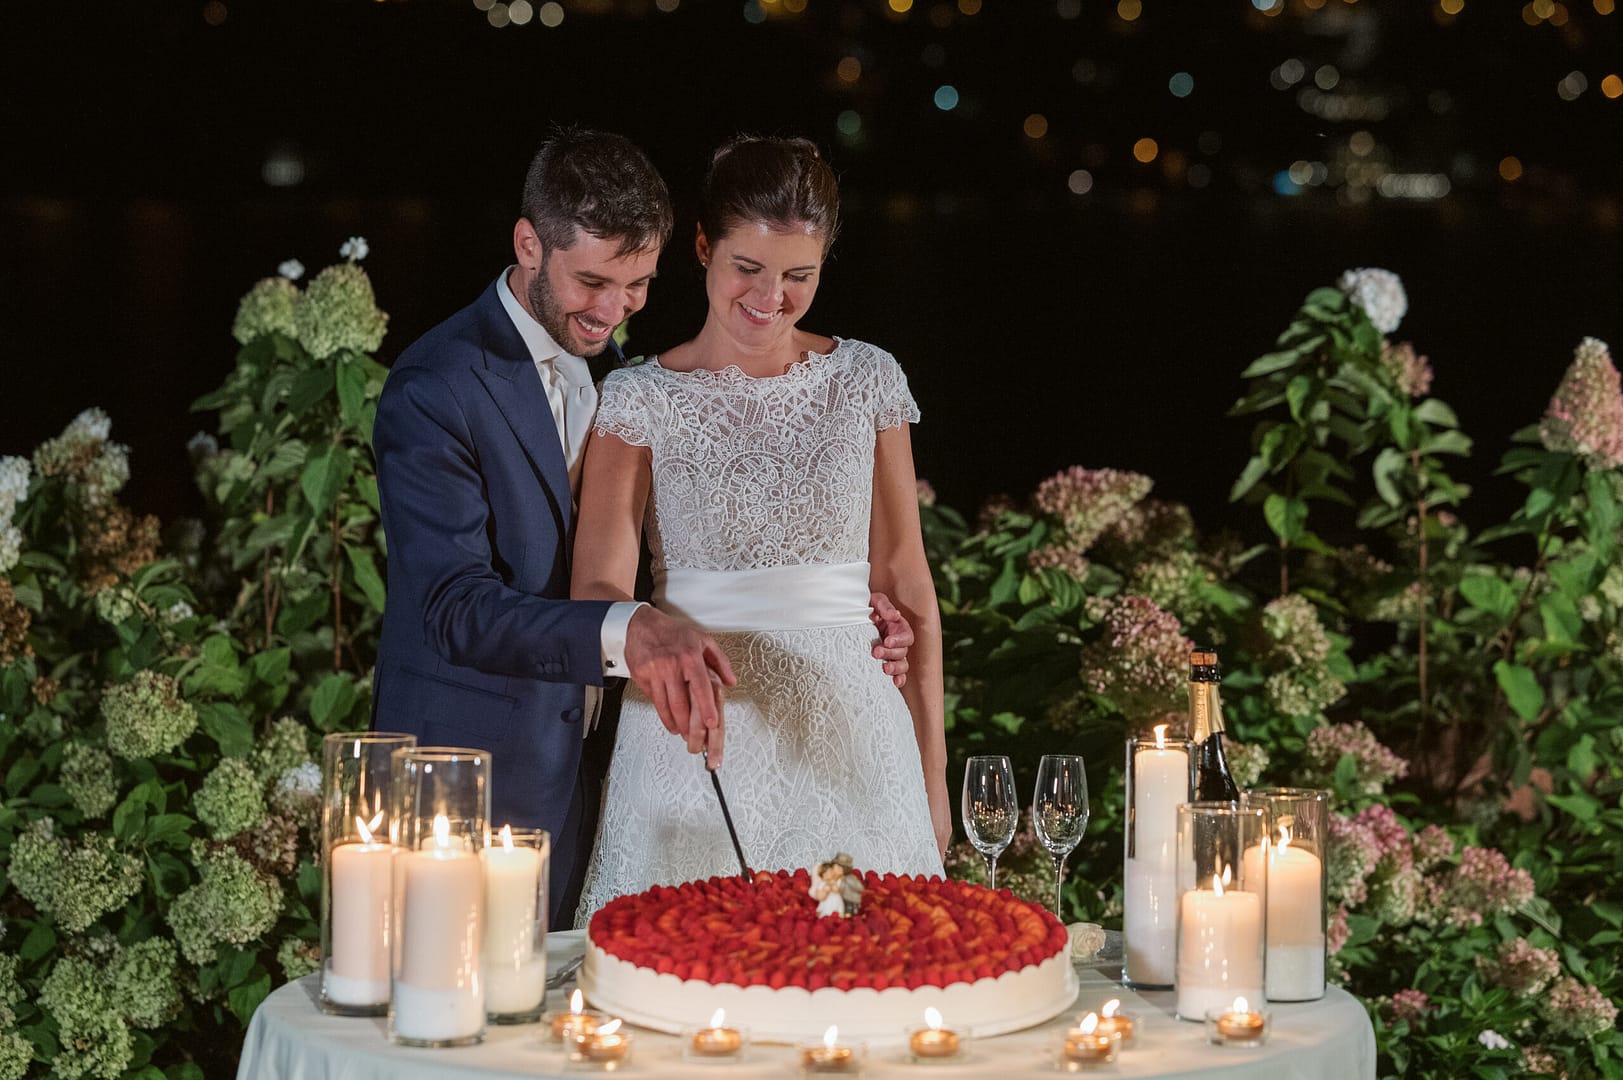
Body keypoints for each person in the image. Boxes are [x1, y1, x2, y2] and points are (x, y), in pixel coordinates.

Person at [371, 128, 914, 924]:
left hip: (591, 765)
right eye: (593, 281)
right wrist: (634, 629)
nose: (613, 308)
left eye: (636, 286)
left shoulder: (604, 366)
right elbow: (453, 608)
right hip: (470, 771)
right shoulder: (436, 385)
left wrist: (844, 612)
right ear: (528, 243)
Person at [572, 135, 949, 923]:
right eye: (747, 267)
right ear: (703, 247)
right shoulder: (638, 399)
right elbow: (598, 589)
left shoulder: (866, 380)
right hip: (693, 739)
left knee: (858, 964)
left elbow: (905, 579)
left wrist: (930, 776)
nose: (769, 296)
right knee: (684, 974)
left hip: (849, 737)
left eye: (797, 276)